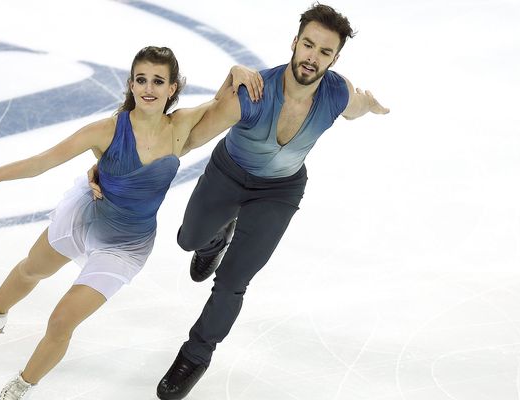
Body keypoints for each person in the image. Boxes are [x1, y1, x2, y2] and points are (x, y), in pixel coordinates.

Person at [0, 46, 263, 400]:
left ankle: (22, 385)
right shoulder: (105, 130)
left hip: (125, 247)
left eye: (158, 81)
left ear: (172, 88)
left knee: (60, 322)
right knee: (31, 269)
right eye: (141, 79)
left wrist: (236, 70)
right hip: (86, 218)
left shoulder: (181, 126)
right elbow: (40, 162)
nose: (148, 88)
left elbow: (221, 103)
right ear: (131, 84)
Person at [150, 4, 390, 399]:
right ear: (294, 43)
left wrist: (374, 105)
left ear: (335, 58)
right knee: (187, 240)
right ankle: (214, 238)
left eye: (325, 52)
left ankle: (196, 354)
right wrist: (128, 161)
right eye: (308, 45)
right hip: (227, 175)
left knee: (232, 283)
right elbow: (189, 139)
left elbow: (358, 106)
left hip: (279, 191)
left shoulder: (336, 93)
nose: (313, 58)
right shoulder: (253, 91)